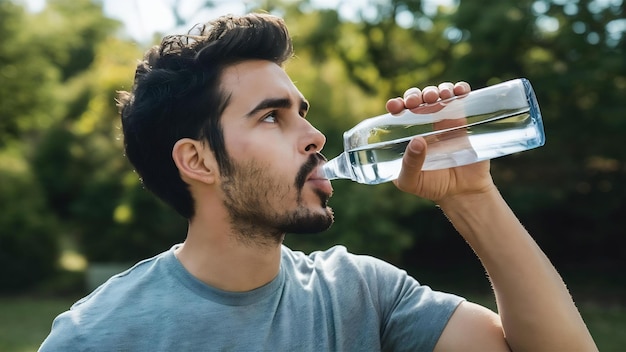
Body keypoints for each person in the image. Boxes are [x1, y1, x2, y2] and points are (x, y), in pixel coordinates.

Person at [39, 13, 597, 351]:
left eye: (301, 113)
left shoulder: (362, 294)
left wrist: (473, 199)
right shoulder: (96, 338)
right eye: (270, 116)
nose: (315, 136)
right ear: (198, 160)